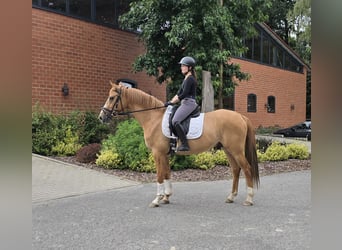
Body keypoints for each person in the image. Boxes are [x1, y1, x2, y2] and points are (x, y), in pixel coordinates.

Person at [165, 56, 198, 151]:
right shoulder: (186, 79)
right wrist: (170, 102)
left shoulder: (190, 79)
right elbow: (178, 93)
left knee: (175, 121)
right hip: (184, 103)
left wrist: (173, 101)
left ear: (190, 68)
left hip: (189, 103)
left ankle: (185, 144)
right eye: (182, 66)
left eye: (184, 66)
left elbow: (183, 94)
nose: (181, 67)